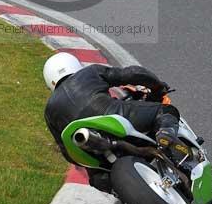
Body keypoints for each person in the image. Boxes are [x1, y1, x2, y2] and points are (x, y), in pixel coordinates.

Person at [43, 52, 183, 189]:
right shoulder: (88, 72)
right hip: (113, 115)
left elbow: (67, 152)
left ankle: (120, 193)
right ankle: (165, 132)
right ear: (75, 65)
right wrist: (157, 85)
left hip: (95, 152)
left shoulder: (49, 110)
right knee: (164, 111)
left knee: (97, 179)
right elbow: (131, 74)